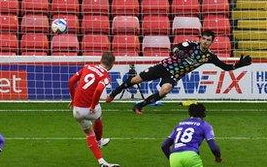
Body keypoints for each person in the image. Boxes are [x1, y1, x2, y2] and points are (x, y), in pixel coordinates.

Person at [106, 30, 252, 114]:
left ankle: (139, 106)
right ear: (200, 39)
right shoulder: (190, 45)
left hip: (174, 75)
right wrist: (179, 53)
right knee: (135, 80)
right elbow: (175, 48)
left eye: (209, 40)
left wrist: (238, 65)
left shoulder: (210, 56)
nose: (205, 41)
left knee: (165, 90)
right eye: (204, 39)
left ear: (212, 42)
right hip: (163, 66)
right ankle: (114, 93)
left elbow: (225, 68)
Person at [68, 51, 120, 167]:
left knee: (88, 133)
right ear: (112, 65)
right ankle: (100, 140)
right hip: (89, 109)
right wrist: (93, 105)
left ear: (101, 59)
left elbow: (71, 82)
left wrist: (73, 99)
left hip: (76, 110)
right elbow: (98, 90)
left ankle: (102, 162)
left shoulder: (87, 66)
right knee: (98, 116)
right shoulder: (105, 76)